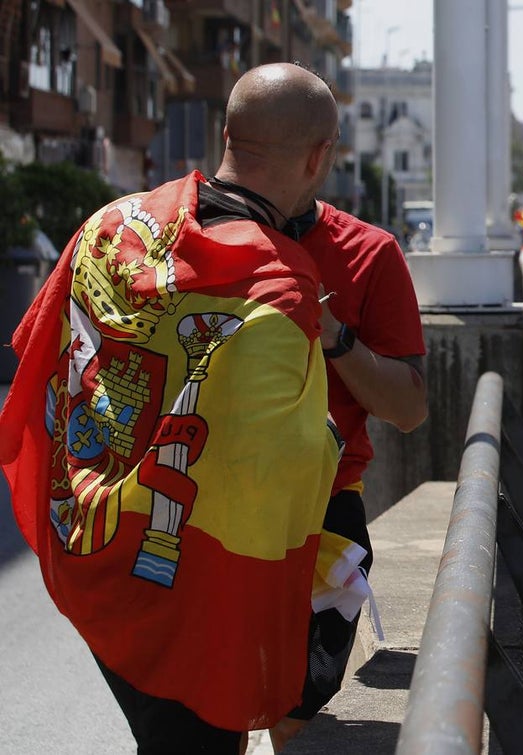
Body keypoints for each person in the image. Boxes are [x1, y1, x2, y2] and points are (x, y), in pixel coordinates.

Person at [0, 62, 343, 753]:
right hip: (184, 585)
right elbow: (285, 463)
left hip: (87, 542)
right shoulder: (278, 286)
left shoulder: (110, 223)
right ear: (319, 158)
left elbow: (38, 352)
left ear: (226, 135)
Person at [267, 171, 429, 750]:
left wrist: (332, 334)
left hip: (322, 516)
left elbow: (408, 408)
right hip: (193, 514)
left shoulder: (367, 250)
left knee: (298, 712)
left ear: (318, 156)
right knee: (206, 716)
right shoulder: (178, 232)